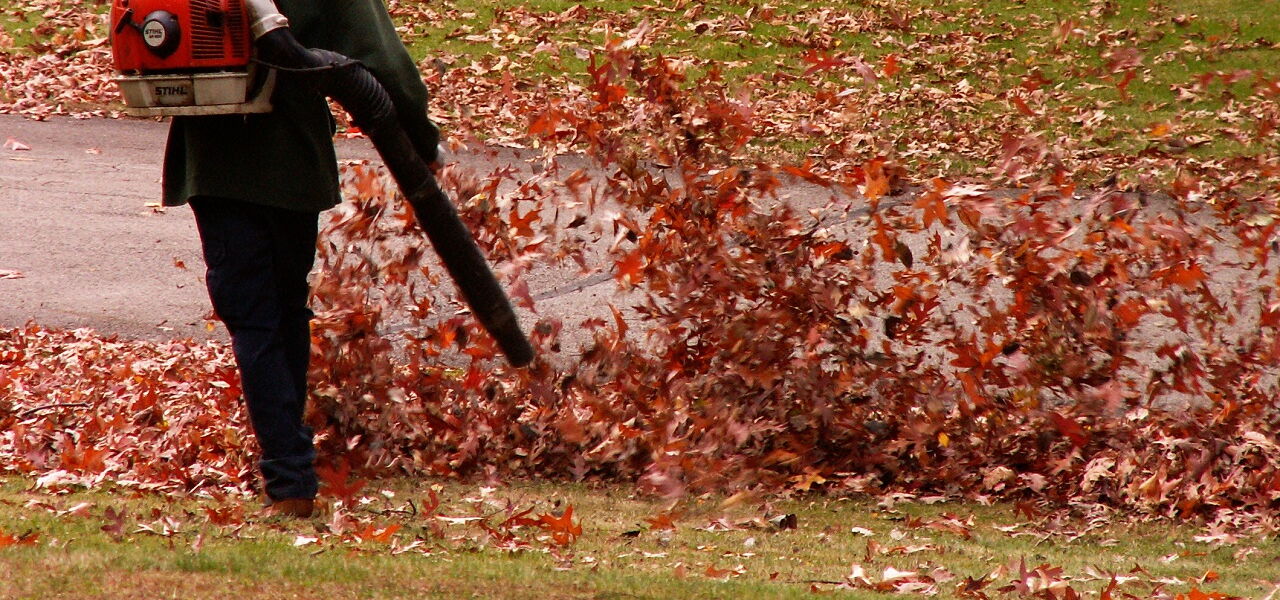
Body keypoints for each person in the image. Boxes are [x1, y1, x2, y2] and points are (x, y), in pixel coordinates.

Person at [162, 0, 440, 518]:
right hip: (291, 158)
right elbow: (385, 61)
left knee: (256, 318)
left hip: (213, 156)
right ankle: (290, 470)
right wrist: (423, 141)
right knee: (282, 310)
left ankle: (289, 474)